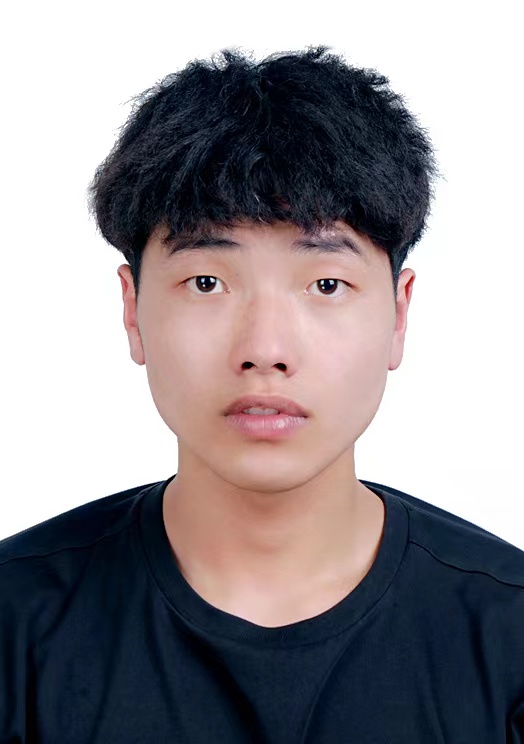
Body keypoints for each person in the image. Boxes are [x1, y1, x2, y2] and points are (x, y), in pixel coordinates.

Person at [1, 44, 522, 742]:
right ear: (133, 310)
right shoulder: (16, 625)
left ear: (399, 315)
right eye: (207, 282)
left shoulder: (508, 636)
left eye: (326, 284)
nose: (266, 349)